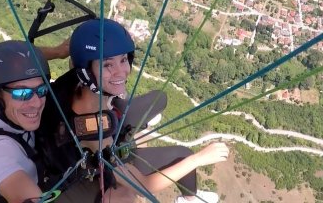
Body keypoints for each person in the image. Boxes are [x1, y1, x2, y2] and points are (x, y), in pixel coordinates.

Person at [40, 18, 229, 203]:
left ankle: (136, 123)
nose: (121, 72)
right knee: (183, 155)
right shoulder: (95, 133)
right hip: (87, 162)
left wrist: (57, 52)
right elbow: (145, 185)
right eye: (107, 65)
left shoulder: (75, 77)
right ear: (87, 71)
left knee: (159, 98)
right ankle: (189, 199)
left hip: (92, 119)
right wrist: (200, 159)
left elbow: (28, 53)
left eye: (123, 60)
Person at [0, 39, 67, 203]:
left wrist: (57, 52)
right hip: (41, 182)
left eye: (42, 89)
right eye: (22, 93)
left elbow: (15, 59)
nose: (37, 102)